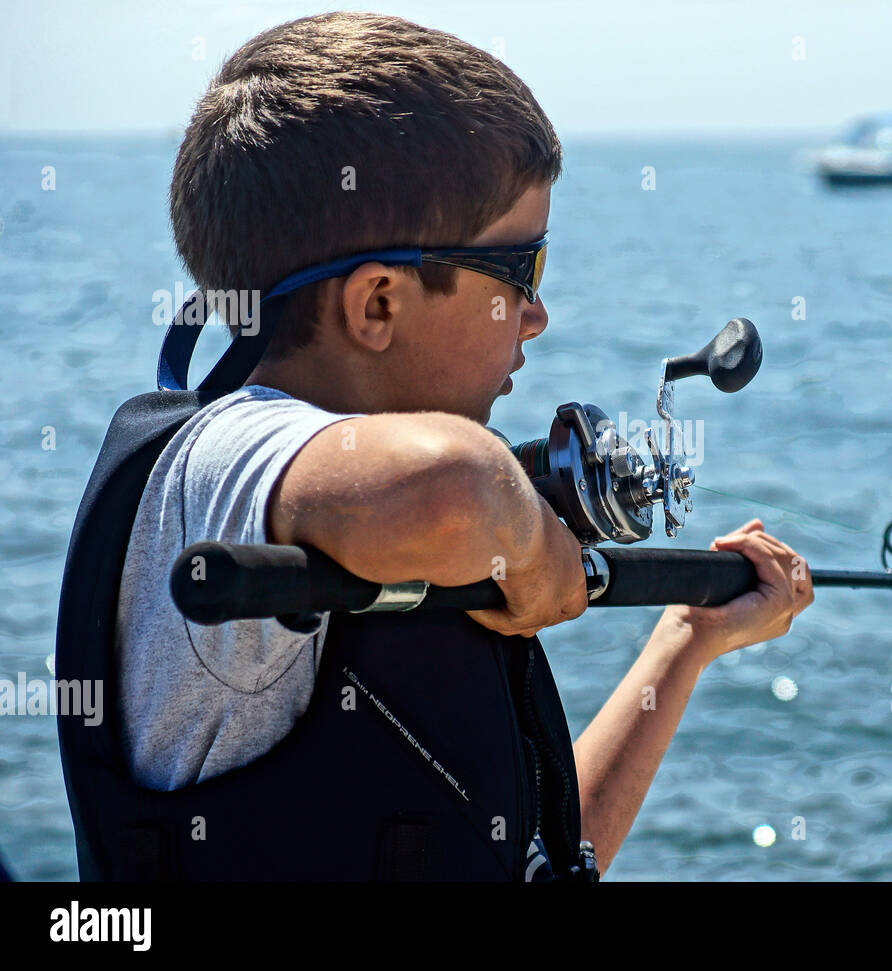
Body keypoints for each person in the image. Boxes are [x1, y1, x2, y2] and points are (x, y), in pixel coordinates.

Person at [55, 11, 812, 882]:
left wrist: (686, 641)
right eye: (521, 272)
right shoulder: (220, 462)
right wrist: (532, 545)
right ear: (377, 303)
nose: (538, 313)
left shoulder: (372, 509)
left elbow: (546, 859)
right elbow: (464, 488)